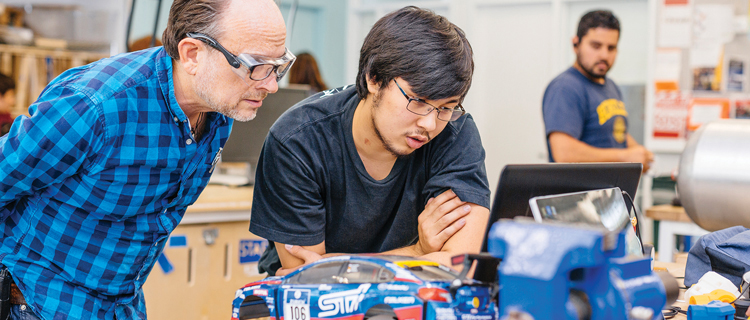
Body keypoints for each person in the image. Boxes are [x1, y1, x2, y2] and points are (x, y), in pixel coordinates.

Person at [0, 0, 293, 319]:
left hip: (122, 304)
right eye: (256, 66)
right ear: (192, 54)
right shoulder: (97, 107)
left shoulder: (219, 111)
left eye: (278, 66)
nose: (272, 84)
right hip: (39, 304)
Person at [250, 6, 490, 276]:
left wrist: (336, 266)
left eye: (446, 107)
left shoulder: (455, 131)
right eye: (418, 101)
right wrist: (417, 252)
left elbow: (460, 267)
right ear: (374, 78)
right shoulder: (297, 141)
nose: (430, 124)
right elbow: (308, 279)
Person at [542, 10, 653, 172]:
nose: (604, 55)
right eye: (596, 46)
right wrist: (625, 157)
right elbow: (563, 153)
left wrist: (639, 153)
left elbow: (614, 133)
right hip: (579, 195)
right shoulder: (565, 87)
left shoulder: (611, 86)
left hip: (609, 194)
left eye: (611, 48)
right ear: (575, 44)